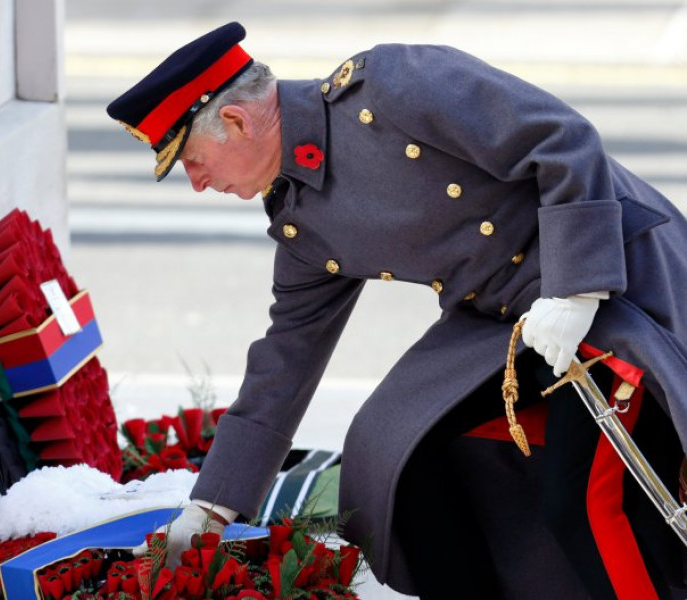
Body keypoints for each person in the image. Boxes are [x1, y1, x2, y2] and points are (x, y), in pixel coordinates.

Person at [106, 22, 687, 599]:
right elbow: (285, 360)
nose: (197, 183)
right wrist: (212, 508)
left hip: (615, 281)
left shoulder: (394, 85)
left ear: (236, 121)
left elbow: (564, 141)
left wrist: (576, 289)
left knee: (581, 501)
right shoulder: (300, 218)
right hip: (512, 325)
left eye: (193, 160)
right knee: (395, 462)